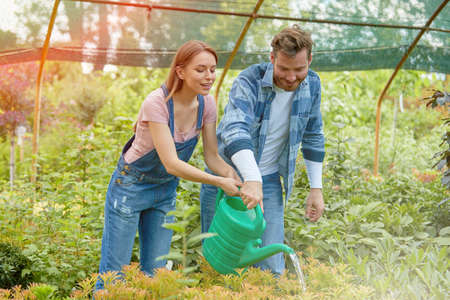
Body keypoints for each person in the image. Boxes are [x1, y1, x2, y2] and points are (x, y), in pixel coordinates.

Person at [95, 40, 241, 290]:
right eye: (200, 69)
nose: (209, 76)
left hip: (164, 192)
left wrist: (234, 177)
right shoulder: (157, 103)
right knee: (114, 275)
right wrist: (219, 182)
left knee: (156, 274)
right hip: (130, 188)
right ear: (180, 71)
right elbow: (172, 163)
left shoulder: (207, 105)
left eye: (212, 70)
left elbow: (212, 157)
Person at [200, 25, 325, 276]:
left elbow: (313, 135)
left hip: (267, 183)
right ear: (272, 58)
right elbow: (234, 129)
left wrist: (316, 188)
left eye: (299, 69)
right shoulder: (250, 80)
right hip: (229, 180)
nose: (291, 78)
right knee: (221, 263)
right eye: (284, 69)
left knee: (271, 267)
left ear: (310, 60)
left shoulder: (312, 84)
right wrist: (250, 178)